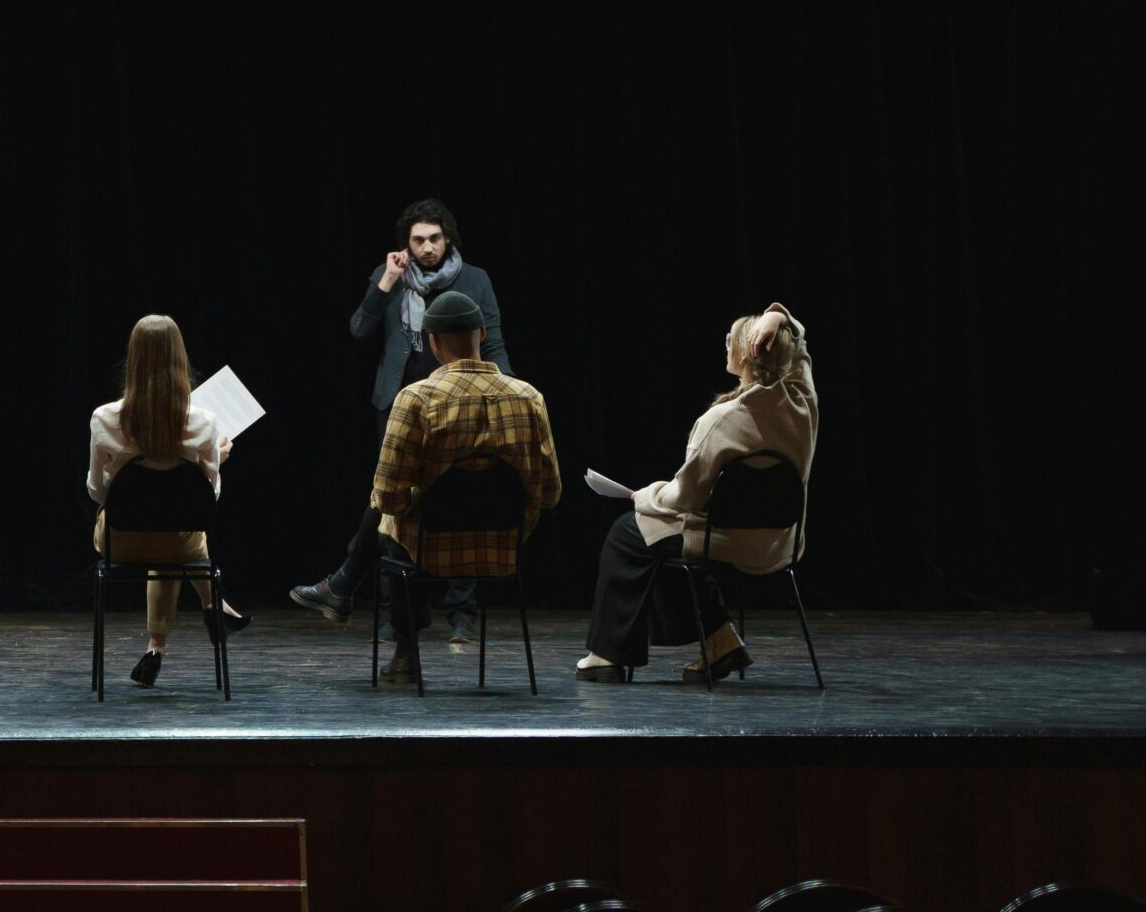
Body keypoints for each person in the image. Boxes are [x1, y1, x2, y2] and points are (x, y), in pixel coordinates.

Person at [291, 198, 515, 643]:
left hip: (460, 402)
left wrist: (505, 390)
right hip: (398, 407)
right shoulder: (389, 277)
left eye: (435, 238)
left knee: (459, 496)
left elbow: (493, 343)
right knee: (395, 499)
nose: (428, 248)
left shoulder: (474, 280)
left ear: (447, 239)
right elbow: (358, 330)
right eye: (418, 241)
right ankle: (397, 612)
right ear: (406, 245)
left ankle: (460, 615)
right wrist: (387, 281)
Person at [578, 302, 816, 682]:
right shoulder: (803, 403)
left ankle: (606, 655)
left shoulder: (721, 420)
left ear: (746, 351)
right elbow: (800, 348)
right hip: (781, 542)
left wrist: (646, 496)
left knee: (631, 531)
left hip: (728, 541)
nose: (725, 346)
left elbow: (684, 498)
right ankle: (721, 641)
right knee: (658, 539)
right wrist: (779, 317)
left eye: (730, 340)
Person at [328, 287, 559, 678]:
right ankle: (341, 588)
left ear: (433, 343)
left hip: (427, 549)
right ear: (482, 335)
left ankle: (405, 653)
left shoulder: (415, 399)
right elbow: (550, 492)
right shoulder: (530, 397)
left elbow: (388, 495)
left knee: (391, 524)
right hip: (502, 546)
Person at [85, 314, 248, 688]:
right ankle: (214, 606)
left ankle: (157, 647)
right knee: (179, 534)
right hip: (181, 542)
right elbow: (210, 499)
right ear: (180, 359)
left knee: (163, 529)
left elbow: (95, 492)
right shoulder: (205, 422)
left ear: (134, 359)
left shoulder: (104, 418)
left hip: (118, 543)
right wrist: (216, 462)